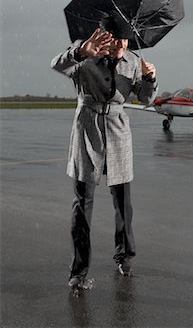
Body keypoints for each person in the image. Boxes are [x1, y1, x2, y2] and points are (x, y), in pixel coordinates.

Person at [50, 16, 158, 290]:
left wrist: (150, 78)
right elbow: (57, 64)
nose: (122, 44)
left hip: (119, 132)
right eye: (116, 38)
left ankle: (125, 256)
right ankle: (79, 270)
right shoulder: (85, 54)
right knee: (82, 204)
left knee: (123, 202)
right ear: (105, 36)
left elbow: (145, 99)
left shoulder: (133, 61)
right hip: (87, 129)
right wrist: (81, 51)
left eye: (125, 39)